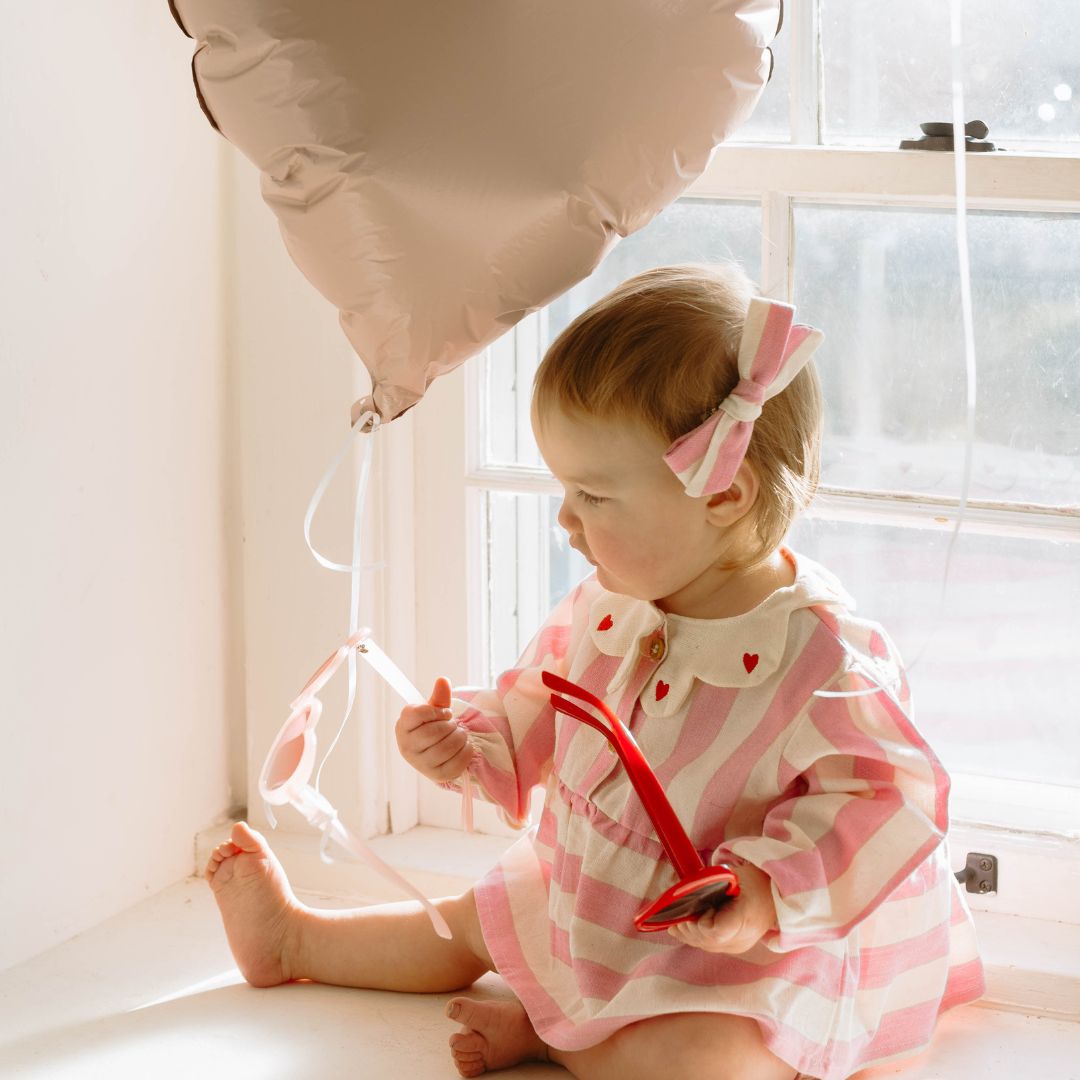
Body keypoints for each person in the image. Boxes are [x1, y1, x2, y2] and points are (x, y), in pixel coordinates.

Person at [205, 263, 985, 1080]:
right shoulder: (611, 606)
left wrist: (762, 893)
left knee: (709, 1066)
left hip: (738, 953)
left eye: (593, 496)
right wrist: (469, 743)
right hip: (593, 900)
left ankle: (548, 1034)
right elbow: (534, 706)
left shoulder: (822, 663)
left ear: (723, 497)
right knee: (470, 924)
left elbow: (883, 803)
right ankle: (297, 941)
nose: (565, 519)